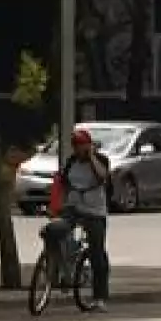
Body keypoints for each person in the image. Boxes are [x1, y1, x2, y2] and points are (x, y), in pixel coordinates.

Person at [55, 127, 112, 311]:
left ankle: (100, 297)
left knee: (97, 252)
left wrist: (92, 157)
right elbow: (62, 184)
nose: (78, 149)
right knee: (57, 232)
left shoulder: (101, 160)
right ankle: (63, 273)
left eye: (82, 145)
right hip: (74, 208)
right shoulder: (71, 162)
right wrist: (58, 206)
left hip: (95, 211)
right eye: (75, 145)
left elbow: (103, 176)